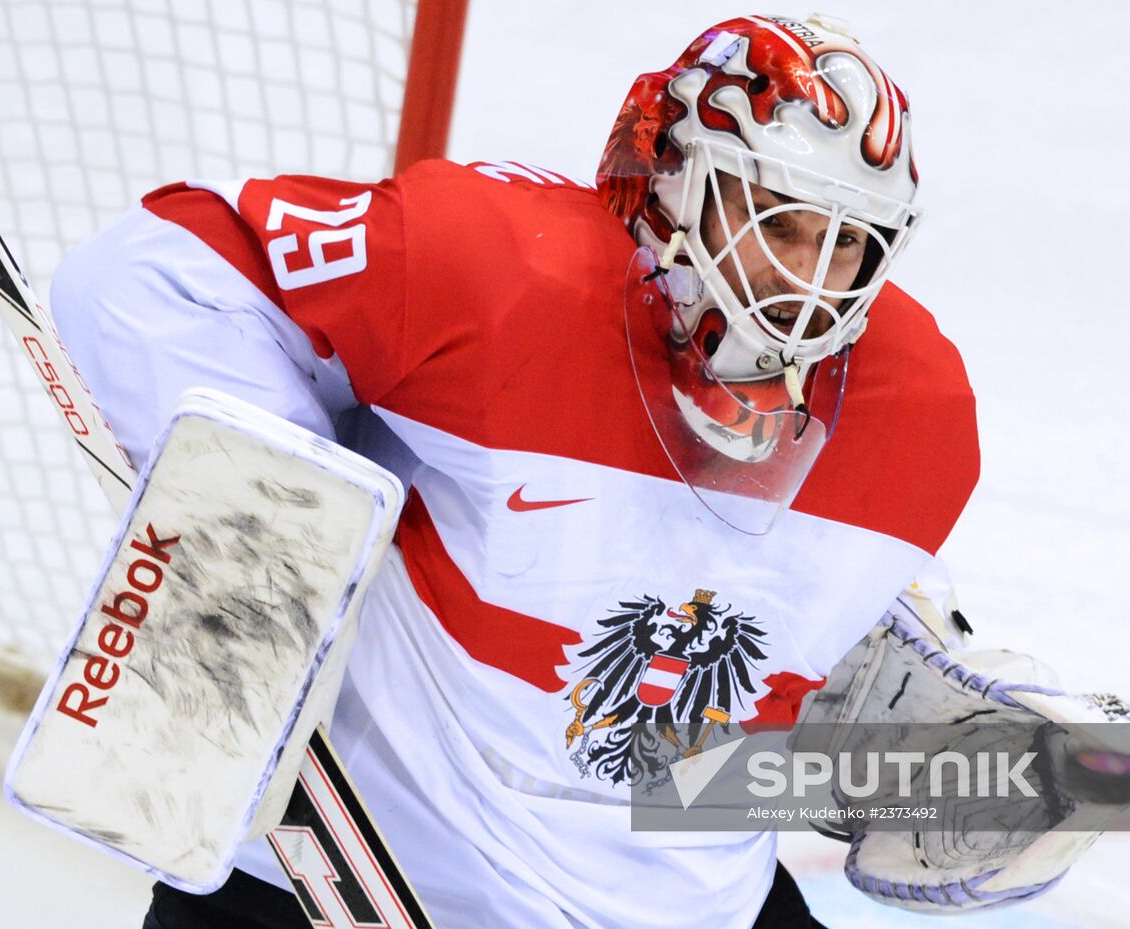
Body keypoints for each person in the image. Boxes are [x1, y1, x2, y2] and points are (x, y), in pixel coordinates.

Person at [51, 13, 979, 928]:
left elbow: (681, 757)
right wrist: (272, 531)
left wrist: (981, 774)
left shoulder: (920, 415)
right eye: (782, 221)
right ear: (680, 178)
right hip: (340, 869)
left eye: (847, 241)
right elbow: (149, 274)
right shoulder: (500, 271)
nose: (811, 282)